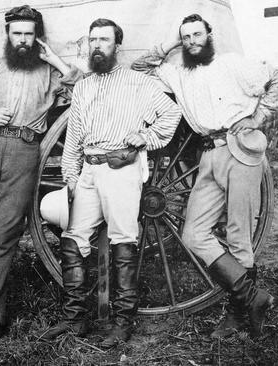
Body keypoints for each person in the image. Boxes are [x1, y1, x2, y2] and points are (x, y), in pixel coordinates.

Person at [132, 13, 278, 338]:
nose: (192, 41)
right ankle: (253, 298)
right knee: (193, 234)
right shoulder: (177, 74)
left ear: (209, 34)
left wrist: (258, 117)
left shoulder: (232, 64)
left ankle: (237, 315)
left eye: (197, 34)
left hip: (239, 148)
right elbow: (139, 67)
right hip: (207, 154)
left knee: (238, 234)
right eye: (186, 37)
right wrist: (171, 44)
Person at [41, 18, 182, 348]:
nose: (97, 46)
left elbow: (170, 114)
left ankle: (122, 321)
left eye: (104, 40)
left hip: (121, 168)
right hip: (89, 169)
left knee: (122, 240)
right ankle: (74, 318)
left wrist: (140, 141)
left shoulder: (137, 83)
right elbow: (74, 137)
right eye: (93, 40)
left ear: (117, 45)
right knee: (73, 237)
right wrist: (71, 178)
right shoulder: (86, 86)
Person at [0, 5, 82, 343]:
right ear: (8, 35)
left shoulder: (48, 73)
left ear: (37, 38)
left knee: (3, 236)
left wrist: (54, 57)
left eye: (29, 34)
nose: (23, 40)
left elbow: (84, 86)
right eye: (17, 33)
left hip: (25, 152)